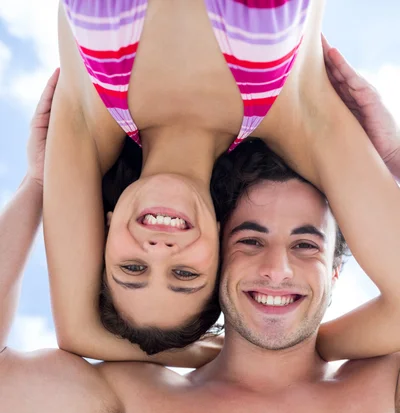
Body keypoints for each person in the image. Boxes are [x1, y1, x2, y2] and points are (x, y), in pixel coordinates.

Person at [4, 48, 400, 413]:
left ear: (336, 270)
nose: (276, 269)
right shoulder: (142, 403)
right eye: (250, 240)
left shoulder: (385, 390)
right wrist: (37, 185)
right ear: (213, 256)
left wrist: (391, 168)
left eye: (306, 245)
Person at [45, 0, 400, 358]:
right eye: (184, 275)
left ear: (104, 234)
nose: (158, 251)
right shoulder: (297, 118)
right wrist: (293, 353)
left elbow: (77, 331)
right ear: (220, 250)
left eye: (132, 268)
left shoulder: (87, 122)